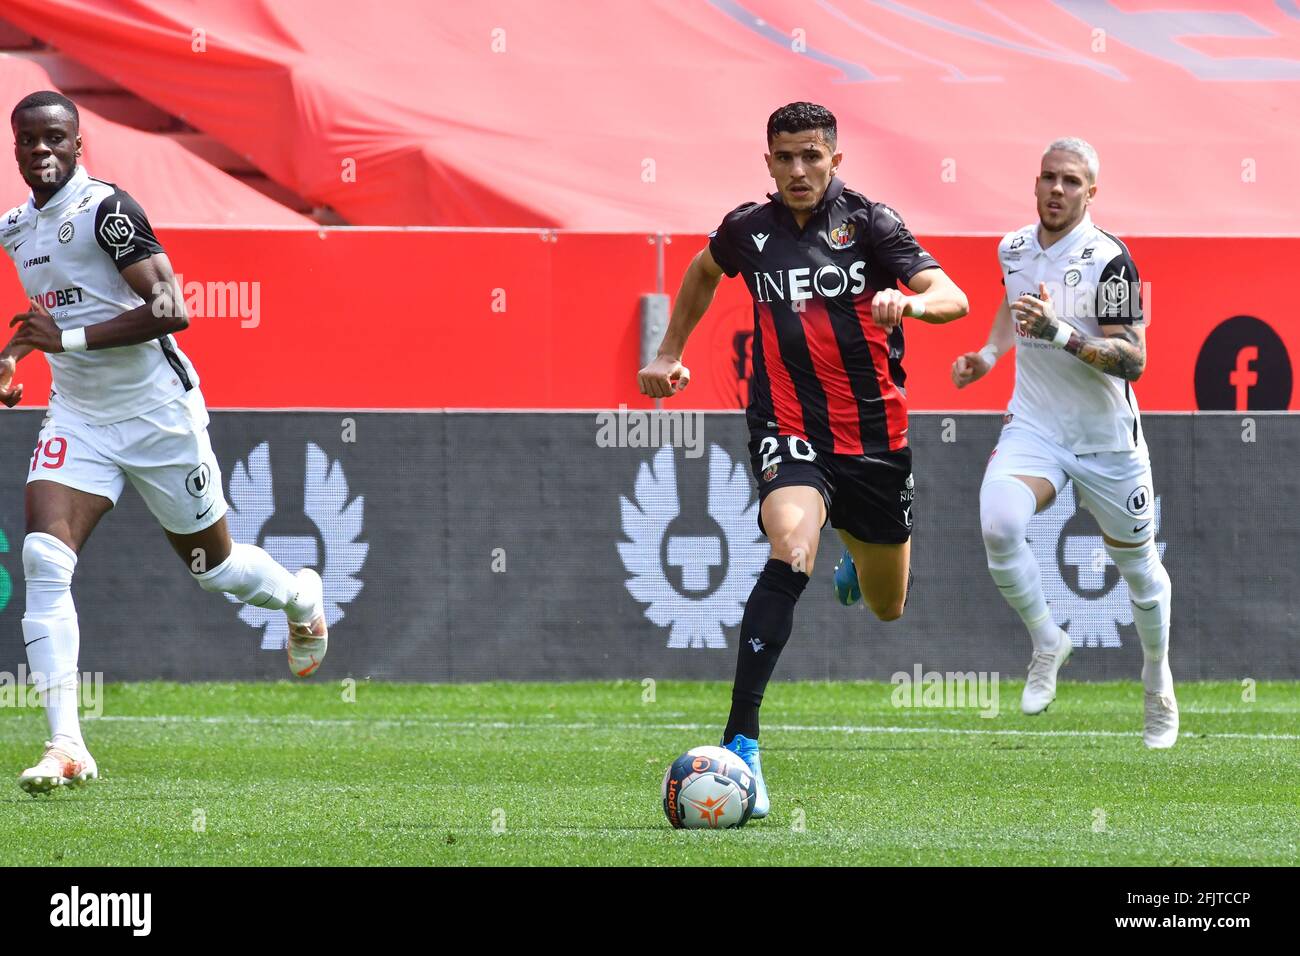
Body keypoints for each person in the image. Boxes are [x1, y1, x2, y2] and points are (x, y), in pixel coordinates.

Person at [638, 102, 968, 816]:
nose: (798, 170)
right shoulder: (746, 231)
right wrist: (668, 352)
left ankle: (852, 545)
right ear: (768, 162)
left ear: (835, 160)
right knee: (790, 545)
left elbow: (953, 297)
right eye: (785, 157)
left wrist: (908, 307)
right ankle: (743, 744)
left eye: (811, 156)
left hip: (876, 442)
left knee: (888, 607)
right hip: (788, 429)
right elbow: (701, 273)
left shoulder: (872, 224)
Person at [0, 91, 329, 794]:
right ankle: (67, 746)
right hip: (79, 419)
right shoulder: (16, 229)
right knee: (42, 557)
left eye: (56, 138)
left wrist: (68, 338)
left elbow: (170, 309)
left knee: (216, 570)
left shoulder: (109, 213)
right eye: (29, 141)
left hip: (157, 418)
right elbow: (47, 313)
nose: (43, 151)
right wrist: (12, 360)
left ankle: (301, 597)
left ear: (79, 142)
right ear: (17, 148)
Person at [951, 137, 1177, 748]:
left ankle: (1156, 679)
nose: (1057, 189)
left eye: (1071, 181)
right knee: (999, 524)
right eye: (1049, 177)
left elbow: (1134, 360)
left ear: (1091, 192)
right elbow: (1011, 302)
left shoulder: (1111, 261)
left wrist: (1062, 335)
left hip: (1106, 441)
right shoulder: (1014, 247)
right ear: (1035, 182)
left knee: (1140, 573)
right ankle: (1048, 640)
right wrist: (989, 354)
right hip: (1035, 427)